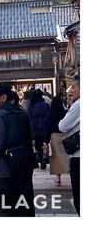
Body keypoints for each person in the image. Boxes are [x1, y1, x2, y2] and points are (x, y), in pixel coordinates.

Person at [0, 82, 36, 216]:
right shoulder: (22, 112)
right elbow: (30, 136)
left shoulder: (1, 114)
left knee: (6, 209)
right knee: (23, 206)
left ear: (3, 97)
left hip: (3, 168)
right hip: (23, 165)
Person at [59, 76, 80, 216]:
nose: (70, 90)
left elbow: (63, 126)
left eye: (73, 87)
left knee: (80, 195)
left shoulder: (79, 105)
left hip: (79, 155)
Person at [46, 93, 69, 185]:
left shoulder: (50, 114)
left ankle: (58, 178)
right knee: (65, 156)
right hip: (64, 136)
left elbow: (47, 128)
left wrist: (45, 141)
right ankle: (69, 172)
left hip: (54, 137)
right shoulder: (65, 113)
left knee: (56, 158)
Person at [28, 88, 50, 169]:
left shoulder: (31, 107)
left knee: (38, 146)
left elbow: (29, 118)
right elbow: (49, 116)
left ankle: (41, 159)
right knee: (44, 144)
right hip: (44, 128)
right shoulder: (46, 105)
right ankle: (44, 158)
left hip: (35, 129)